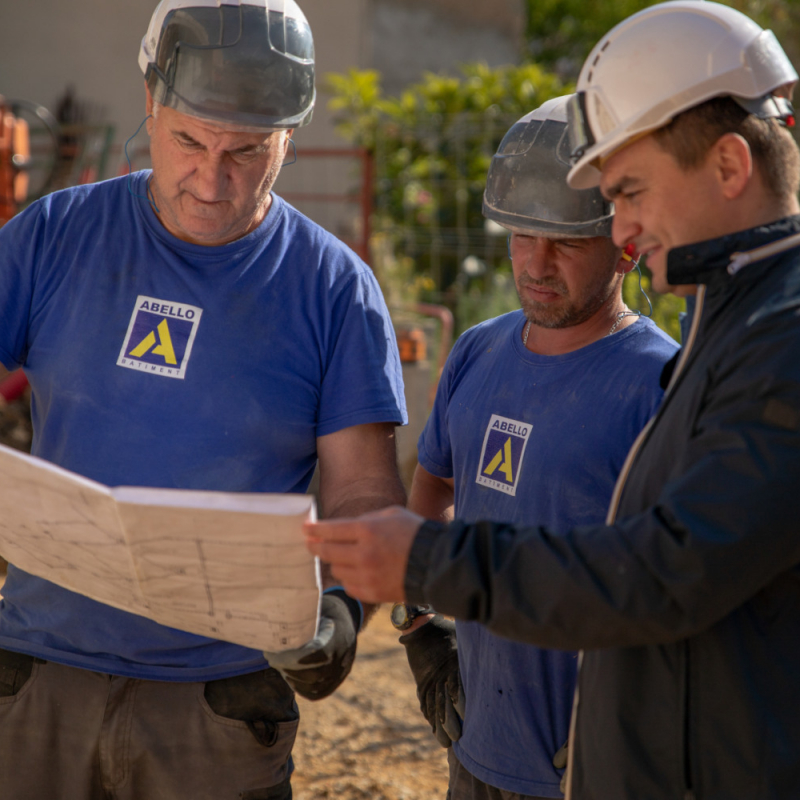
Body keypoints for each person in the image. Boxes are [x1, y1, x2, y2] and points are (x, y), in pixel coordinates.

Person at [305, 2, 800, 798]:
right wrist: (426, 621)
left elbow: (666, 572)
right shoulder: (739, 324)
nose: (627, 228)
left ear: (731, 167)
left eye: (630, 191)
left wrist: (431, 563)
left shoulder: (779, 343)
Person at [0, 2, 407, 798]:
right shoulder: (56, 235)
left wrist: (340, 610)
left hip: (218, 704)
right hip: (40, 678)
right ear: (150, 101)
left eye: (249, 151)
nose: (214, 181)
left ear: (291, 132)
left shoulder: (332, 290)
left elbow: (360, 488)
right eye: (190, 141)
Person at [394, 95, 677, 800]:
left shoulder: (663, 383)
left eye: (568, 242)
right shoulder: (476, 351)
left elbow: (683, 582)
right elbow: (431, 490)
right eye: (523, 235)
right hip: (477, 750)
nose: (537, 262)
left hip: (592, 770)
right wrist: (421, 629)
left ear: (626, 241)